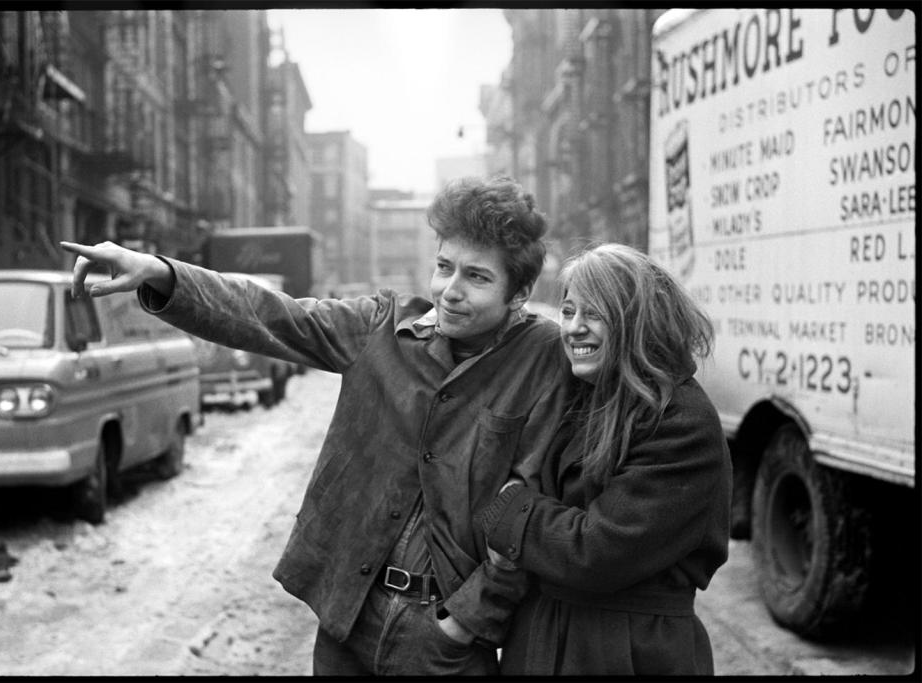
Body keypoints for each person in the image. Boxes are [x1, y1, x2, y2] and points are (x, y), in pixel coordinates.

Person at [60, 176, 574, 676]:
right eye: (444, 267)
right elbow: (269, 314)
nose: (450, 291)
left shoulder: (543, 359)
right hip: (348, 619)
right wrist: (159, 272)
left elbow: (530, 506)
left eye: (477, 277)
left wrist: (462, 624)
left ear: (519, 292)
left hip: (445, 646)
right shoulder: (382, 328)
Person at [477, 242, 732, 676]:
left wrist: (508, 509)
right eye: (569, 311)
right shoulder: (585, 395)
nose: (573, 328)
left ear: (638, 320)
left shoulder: (681, 420)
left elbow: (596, 552)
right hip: (545, 637)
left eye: (593, 313)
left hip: (628, 650)